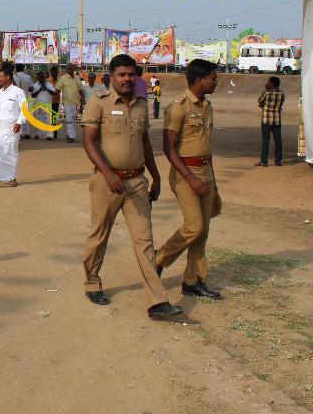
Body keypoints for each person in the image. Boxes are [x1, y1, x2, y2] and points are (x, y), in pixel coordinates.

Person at [81, 54, 182, 320]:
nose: (127, 79)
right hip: (107, 183)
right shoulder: (98, 102)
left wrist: (156, 176)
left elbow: (145, 141)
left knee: (144, 241)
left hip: (137, 182)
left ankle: (157, 301)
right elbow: (89, 142)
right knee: (99, 235)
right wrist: (107, 173)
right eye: (122, 74)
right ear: (112, 76)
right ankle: (92, 282)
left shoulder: (140, 105)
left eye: (131, 74)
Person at [155, 59, 223, 301]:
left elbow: (206, 146)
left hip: (206, 173)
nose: (216, 82)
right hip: (186, 175)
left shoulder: (208, 106)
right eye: (213, 78)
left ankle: (193, 281)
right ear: (199, 80)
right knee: (194, 226)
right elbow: (169, 148)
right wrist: (191, 179)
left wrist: (212, 179)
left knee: (202, 231)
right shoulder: (178, 108)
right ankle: (159, 259)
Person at [0, 67, 26, 188]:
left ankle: (11, 178)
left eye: (1, 76)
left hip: (12, 127)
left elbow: (24, 109)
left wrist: (19, 122)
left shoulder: (18, 92)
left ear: (8, 77)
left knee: (10, 152)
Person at [257, 76, 285, 167]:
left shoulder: (266, 93)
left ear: (272, 84)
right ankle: (278, 161)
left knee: (265, 141)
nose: (267, 83)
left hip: (266, 120)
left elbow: (260, 101)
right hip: (277, 120)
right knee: (278, 141)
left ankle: (264, 162)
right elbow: (280, 104)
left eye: (269, 82)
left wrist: (263, 104)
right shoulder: (282, 94)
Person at [55, 64, 85, 143]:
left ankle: (69, 134)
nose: (70, 70)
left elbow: (81, 89)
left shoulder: (77, 78)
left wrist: (83, 99)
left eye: (71, 68)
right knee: (69, 119)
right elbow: (57, 89)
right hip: (66, 102)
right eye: (68, 69)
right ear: (66, 70)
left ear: (73, 69)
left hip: (76, 103)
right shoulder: (63, 78)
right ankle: (71, 136)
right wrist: (57, 99)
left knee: (74, 119)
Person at [29, 71, 57, 140]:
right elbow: (33, 95)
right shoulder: (35, 85)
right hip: (38, 106)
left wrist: (46, 89)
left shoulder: (49, 84)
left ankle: (49, 136)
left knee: (48, 120)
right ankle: (38, 134)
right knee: (38, 120)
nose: (40, 78)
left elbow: (54, 93)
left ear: (44, 77)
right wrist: (39, 89)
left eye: (41, 77)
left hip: (47, 106)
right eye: (39, 77)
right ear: (37, 78)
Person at [13, 64, 33, 139]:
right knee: (25, 115)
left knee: (16, 115)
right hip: (24, 98)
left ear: (16, 69)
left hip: (15, 99)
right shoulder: (28, 77)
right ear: (23, 69)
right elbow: (31, 89)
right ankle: (26, 133)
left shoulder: (13, 77)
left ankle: (17, 132)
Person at [49, 67, 62, 139]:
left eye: (56, 72)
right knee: (48, 118)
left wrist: (55, 100)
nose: (54, 73)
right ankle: (50, 133)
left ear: (57, 73)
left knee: (54, 117)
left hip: (56, 102)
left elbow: (58, 92)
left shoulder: (60, 81)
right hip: (48, 102)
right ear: (51, 73)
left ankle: (54, 132)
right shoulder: (47, 81)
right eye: (53, 72)